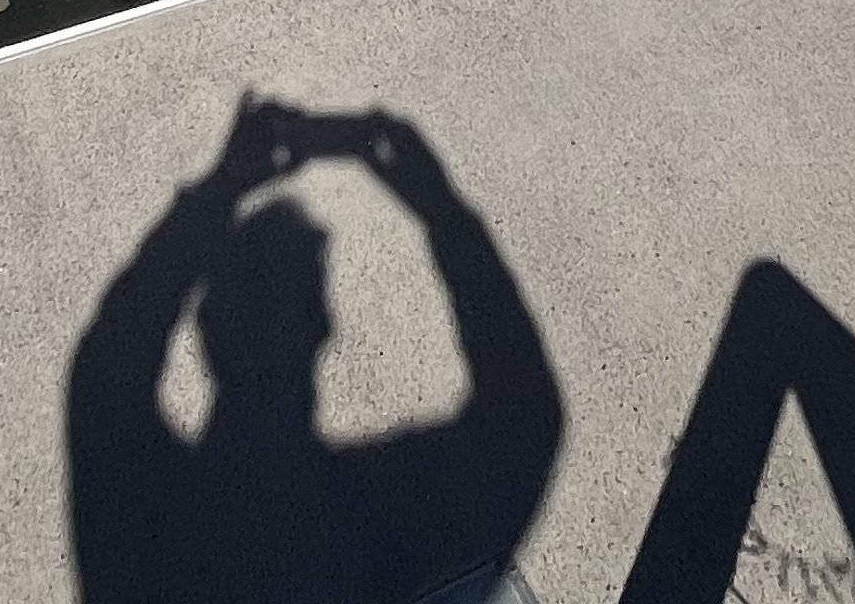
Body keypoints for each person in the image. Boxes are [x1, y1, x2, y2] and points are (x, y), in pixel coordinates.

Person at [66, 98, 561, 602]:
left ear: (206, 327)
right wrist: (440, 206)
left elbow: (107, 367)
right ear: (324, 325)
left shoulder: (148, 529)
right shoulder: (383, 523)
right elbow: (527, 417)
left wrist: (220, 189)